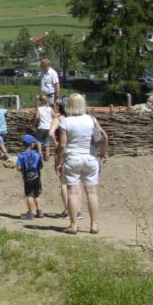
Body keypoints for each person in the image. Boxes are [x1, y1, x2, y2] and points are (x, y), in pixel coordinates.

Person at [56, 93, 108, 235]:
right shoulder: (92, 119)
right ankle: (94, 225)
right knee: (91, 192)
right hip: (90, 158)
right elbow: (104, 137)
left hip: (72, 158)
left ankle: (73, 225)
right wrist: (103, 153)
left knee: (72, 192)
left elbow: (62, 144)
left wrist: (58, 162)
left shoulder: (65, 122)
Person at [48, 101, 74, 219]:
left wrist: (56, 145)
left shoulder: (59, 119)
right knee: (74, 182)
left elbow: (51, 133)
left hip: (62, 151)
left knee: (64, 182)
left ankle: (68, 210)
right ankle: (76, 210)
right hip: (74, 151)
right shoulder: (74, 118)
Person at [16, 134, 44, 219]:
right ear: (32, 144)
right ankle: (39, 211)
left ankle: (31, 214)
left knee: (29, 195)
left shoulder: (21, 156)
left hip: (27, 178)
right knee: (36, 194)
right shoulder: (37, 155)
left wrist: (22, 169)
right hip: (36, 177)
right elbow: (41, 166)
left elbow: (18, 168)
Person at [33, 95, 54, 160]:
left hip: (42, 127)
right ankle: (47, 155)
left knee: (38, 140)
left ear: (40, 101)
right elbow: (54, 115)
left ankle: (40, 154)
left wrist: (34, 124)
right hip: (49, 127)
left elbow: (37, 117)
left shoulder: (40, 109)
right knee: (47, 141)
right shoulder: (50, 108)